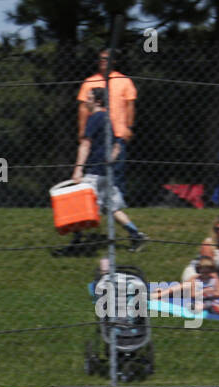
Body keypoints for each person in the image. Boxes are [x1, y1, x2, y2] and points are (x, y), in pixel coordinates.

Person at [70, 88, 147, 251]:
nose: (86, 101)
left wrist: (78, 169)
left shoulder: (94, 118)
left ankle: (77, 242)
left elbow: (85, 144)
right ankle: (135, 235)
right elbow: (115, 147)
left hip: (94, 171)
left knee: (82, 206)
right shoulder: (107, 119)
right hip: (107, 171)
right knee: (112, 207)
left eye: (89, 98)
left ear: (98, 101)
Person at [77, 48, 135, 193]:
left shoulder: (124, 81)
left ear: (113, 61)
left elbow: (130, 106)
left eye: (106, 59)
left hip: (118, 132)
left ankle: (117, 202)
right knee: (96, 170)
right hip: (97, 135)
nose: (102, 62)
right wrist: (82, 130)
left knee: (117, 170)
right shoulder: (89, 82)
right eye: (100, 59)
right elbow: (83, 109)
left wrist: (129, 127)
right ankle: (97, 201)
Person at [180, 214, 219, 286]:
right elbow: (209, 271)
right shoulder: (208, 243)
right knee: (202, 292)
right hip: (198, 274)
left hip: (213, 279)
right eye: (217, 229)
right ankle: (167, 292)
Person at [153, 256, 219, 305]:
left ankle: (162, 292)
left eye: (207, 272)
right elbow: (193, 295)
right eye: (203, 272)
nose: (205, 275)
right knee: (183, 287)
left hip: (197, 298)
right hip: (191, 293)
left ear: (211, 271)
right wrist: (203, 292)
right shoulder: (196, 279)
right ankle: (159, 294)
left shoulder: (213, 279)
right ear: (199, 271)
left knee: (179, 294)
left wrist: (212, 293)